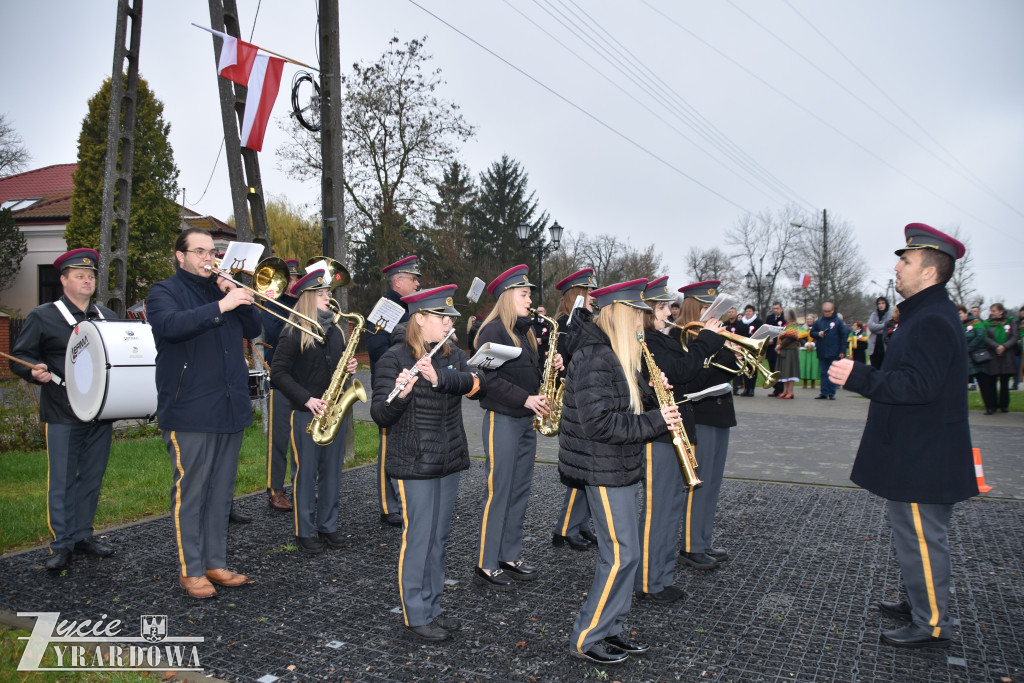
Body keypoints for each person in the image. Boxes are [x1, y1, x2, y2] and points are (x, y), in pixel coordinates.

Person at [829, 223, 977, 649]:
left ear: (929, 272)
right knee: (915, 538)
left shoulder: (930, 319)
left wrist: (859, 376)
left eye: (906, 261)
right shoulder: (924, 313)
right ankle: (920, 599)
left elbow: (917, 386)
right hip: (919, 452)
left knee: (923, 540)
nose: (897, 267)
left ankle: (931, 622)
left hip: (922, 457)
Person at [558, 279, 682, 664]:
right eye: (637, 315)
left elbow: (622, 401)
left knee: (624, 555)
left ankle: (612, 628)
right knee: (621, 555)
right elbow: (601, 424)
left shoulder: (614, 353)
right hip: (603, 467)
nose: (643, 322)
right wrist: (657, 421)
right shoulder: (596, 355)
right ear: (619, 314)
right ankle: (586, 636)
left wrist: (650, 393)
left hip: (620, 467)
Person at [146, 228, 261, 599]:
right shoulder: (164, 292)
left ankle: (215, 562)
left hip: (230, 408)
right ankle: (191, 569)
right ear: (180, 256)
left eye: (213, 252)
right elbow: (169, 326)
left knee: (220, 492)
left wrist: (239, 298)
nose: (209, 258)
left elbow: (257, 328)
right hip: (189, 409)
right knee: (191, 492)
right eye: (200, 252)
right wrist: (221, 306)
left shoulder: (221, 289)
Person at [371, 285, 485, 642]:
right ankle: (415, 615)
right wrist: (401, 396)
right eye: (442, 316)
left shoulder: (453, 353)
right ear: (419, 319)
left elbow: (476, 385)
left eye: (451, 316)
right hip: (414, 460)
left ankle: (433, 607)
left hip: (447, 458)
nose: (450, 322)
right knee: (419, 537)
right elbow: (380, 414)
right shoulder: (393, 359)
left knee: (439, 537)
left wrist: (440, 378)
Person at [9, 248, 118, 571]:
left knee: (92, 478)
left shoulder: (106, 318)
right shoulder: (44, 316)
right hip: (62, 411)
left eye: (91, 276)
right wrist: (32, 370)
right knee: (63, 480)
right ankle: (61, 544)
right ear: (63, 280)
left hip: (101, 413)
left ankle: (84, 536)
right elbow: (22, 356)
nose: (87, 280)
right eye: (80, 275)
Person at [635, 277, 725, 601]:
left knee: (672, 508)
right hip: (658, 434)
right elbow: (679, 371)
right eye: (661, 308)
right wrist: (706, 343)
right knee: (658, 511)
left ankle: (661, 576)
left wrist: (710, 347)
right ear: (647, 312)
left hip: (679, 428)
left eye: (667, 306)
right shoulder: (647, 341)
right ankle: (647, 581)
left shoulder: (668, 337)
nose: (669, 312)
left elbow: (693, 375)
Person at [473, 264, 560, 590]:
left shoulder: (524, 332)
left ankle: (510, 555)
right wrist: (525, 399)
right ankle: (485, 562)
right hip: (503, 420)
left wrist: (551, 368)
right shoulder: (493, 331)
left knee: (520, 490)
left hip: (524, 422)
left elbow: (524, 374)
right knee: (498, 492)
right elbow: (486, 380)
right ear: (508, 296)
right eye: (524, 294)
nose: (529, 300)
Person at [270, 270, 358, 554]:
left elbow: (334, 371)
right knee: (305, 474)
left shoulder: (334, 331)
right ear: (307, 298)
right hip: (307, 413)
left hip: (333, 411)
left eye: (328, 293)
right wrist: (306, 399)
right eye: (321, 294)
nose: (328, 298)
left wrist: (347, 371)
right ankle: (304, 531)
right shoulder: (294, 331)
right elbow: (279, 374)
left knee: (332, 472)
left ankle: (327, 526)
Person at [675, 280, 740, 570]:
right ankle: (692, 544)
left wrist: (731, 351)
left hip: (720, 413)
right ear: (694, 307)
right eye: (705, 307)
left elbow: (732, 374)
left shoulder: (711, 335)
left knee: (713, 482)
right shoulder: (684, 337)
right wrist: (714, 345)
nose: (712, 313)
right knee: (699, 483)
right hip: (699, 415)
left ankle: (703, 538)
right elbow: (693, 379)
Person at [366, 256, 421, 527]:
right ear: (398, 281)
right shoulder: (386, 307)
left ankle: (405, 497)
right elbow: (376, 348)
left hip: (409, 381)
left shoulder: (411, 305)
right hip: (390, 382)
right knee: (388, 445)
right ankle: (388, 506)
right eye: (413, 279)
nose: (418, 282)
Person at [549, 268, 600, 552]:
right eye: (589, 292)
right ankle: (564, 528)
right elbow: (559, 366)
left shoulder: (584, 322)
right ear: (577, 295)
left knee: (589, 469)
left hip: (585, 401)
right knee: (579, 469)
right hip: (573, 403)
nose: (593, 296)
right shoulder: (563, 325)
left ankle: (580, 523)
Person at [262, 258, 301, 513]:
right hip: (281, 380)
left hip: (304, 381)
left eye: (297, 279)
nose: (294, 284)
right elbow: (278, 333)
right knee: (279, 439)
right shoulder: (271, 305)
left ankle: (301, 486)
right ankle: (275, 489)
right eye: (290, 279)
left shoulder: (303, 305)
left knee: (302, 438)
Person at [810, 302, 849, 400]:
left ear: (832, 311)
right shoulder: (818, 321)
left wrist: (842, 350)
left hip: (834, 351)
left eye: (828, 311)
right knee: (823, 372)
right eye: (824, 311)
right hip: (822, 351)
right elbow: (812, 333)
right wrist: (818, 334)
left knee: (832, 373)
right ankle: (823, 392)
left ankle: (831, 393)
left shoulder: (838, 321)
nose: (826, 313)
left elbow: (844, 336)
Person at [959, 305, 994, 413]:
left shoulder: (976, 323)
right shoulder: (959, 325)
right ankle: (960, 407)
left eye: (960, 313)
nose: (958, 316)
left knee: (984, 384)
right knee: (960, 386)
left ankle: (990, 406)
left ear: (966, 313)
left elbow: (980, 337)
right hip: (965, 360)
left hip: (978, 359)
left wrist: (967, 348)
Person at [984, 303, 1018, 413]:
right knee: (991, 382)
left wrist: (1004, 346)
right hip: (994, 355)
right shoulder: (987, 323)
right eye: (991, 311)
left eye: (994, 311)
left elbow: (1014, 337)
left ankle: (1004, 405)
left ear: (1001, 311)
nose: (992, 313)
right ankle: (992, 406)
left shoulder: (1010, 322)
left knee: (1004, 382)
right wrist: (997, 346)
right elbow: (986, 338)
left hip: (1007, 355)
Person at [775, 310, 801, 399]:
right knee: (784, 371)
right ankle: (785, 391)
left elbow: (789, 338)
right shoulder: (786, 325)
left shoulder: (793, 325)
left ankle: (790, 391)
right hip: (785, 350)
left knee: (790, 371)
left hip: (790, 350)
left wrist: (780, 346)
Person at [737, 304, 762, 396]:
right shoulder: (741, 322)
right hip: (743, 348)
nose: (748, 313)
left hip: (753, 349)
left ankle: (752, 389)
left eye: (750, 311)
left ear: (753, 312)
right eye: (746, 311)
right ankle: (746, 388)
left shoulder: (758, 322)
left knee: (753, 368)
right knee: (745, 368)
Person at [764, 302, 786, 397]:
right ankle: (776, 389)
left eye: (777, 308)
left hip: (781, 347)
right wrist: (768, 340)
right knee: (772, 369)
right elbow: (767, 330)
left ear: (782, 308)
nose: (775, 310)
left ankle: (782, 389)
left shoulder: (785, 318)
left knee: (780, 369)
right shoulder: (770, 318)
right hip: (771, 348)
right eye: (774, 308)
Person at [723, 308, 746, 395]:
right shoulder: (724, 325)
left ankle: (736, 389)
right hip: (727, 349)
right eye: (729, 312)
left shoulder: (742, 325)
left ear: (736, 313)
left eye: (732, 312)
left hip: (738, 349)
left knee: (736, 368)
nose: (731, 314)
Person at [866, 297, 892, 369]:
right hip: (874, 349)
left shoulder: (890, 314)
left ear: (886, 304)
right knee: (874, 369)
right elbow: (871, 327)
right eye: (879, 303)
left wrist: (876, 327)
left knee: (885, 369)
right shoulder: (874, 314)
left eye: (883, 303)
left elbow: (890, 327)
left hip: (885, 348)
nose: (880, 305)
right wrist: (884, 325)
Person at [799, 313, 819, 390]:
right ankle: (805, 382)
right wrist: (806, 344)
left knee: (813, 365)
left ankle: (813, 382)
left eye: (810, 319)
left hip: (814, 349)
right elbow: (800, 337)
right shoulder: (802, 328)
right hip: (804, 348)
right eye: (807, 319)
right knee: (804, 365)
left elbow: (818, 336)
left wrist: (813, 344)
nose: (809, 320)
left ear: (814, 320)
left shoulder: (817, 328)